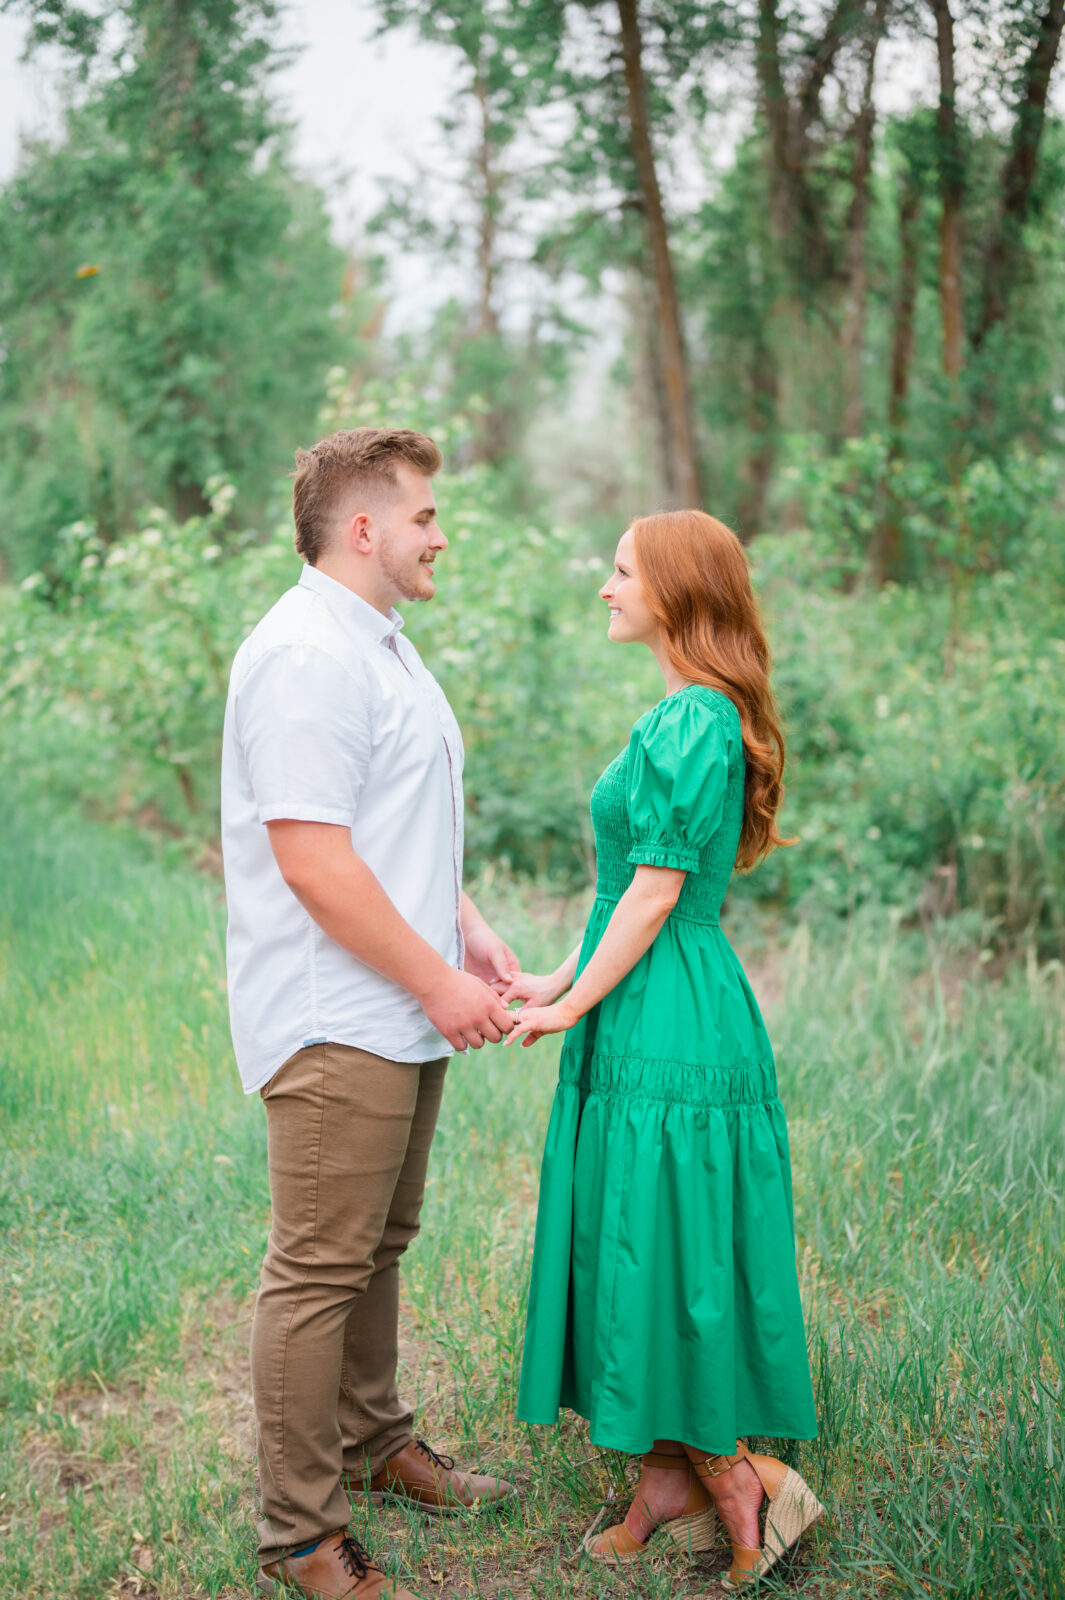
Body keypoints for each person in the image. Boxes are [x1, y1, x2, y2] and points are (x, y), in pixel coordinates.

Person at [221, 427, 519, 1600]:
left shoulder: (379, 646)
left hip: (396, 996)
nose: (441, 534)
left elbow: (388, 824)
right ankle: (302, 1534)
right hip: (336, 1007)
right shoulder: (303, 653)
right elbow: (314, 860)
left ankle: (377, 1442)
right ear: (364, 528)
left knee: (376, 1247)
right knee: (316, 1269)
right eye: (427, 516)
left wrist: (466, 926)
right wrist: (438, 981)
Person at [502, 509, 822, 1588]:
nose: (605, 585)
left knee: (665, 1240)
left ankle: (740, 1476)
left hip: (669, 1009)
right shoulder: (685, 713)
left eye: (621, 568)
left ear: (677, 592)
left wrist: (566, 1005)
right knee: (640, 1233)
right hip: (644, 998)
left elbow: (653, 894)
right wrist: (559, 978)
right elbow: (621, 895)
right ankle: (670, 1476)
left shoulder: (694, 719)